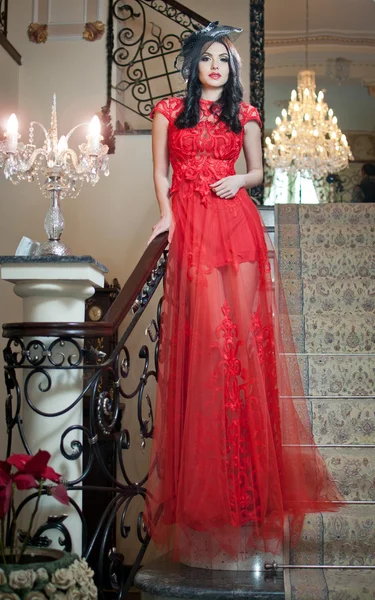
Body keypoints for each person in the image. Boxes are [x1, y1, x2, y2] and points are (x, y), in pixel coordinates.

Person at [145, 22, 343, 563]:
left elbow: (258, 172)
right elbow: (161, 173)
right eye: (207, 58)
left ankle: (250, 492)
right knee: (208, 342)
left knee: (242, 346)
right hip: (191, 224)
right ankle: (212, 494)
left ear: (231, 68)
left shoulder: (246, 114)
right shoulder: (166, 110)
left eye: (223, 59)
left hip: (237, 223)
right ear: (194, 65)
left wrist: (240, 181)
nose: (215, 66)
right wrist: (167, 217)